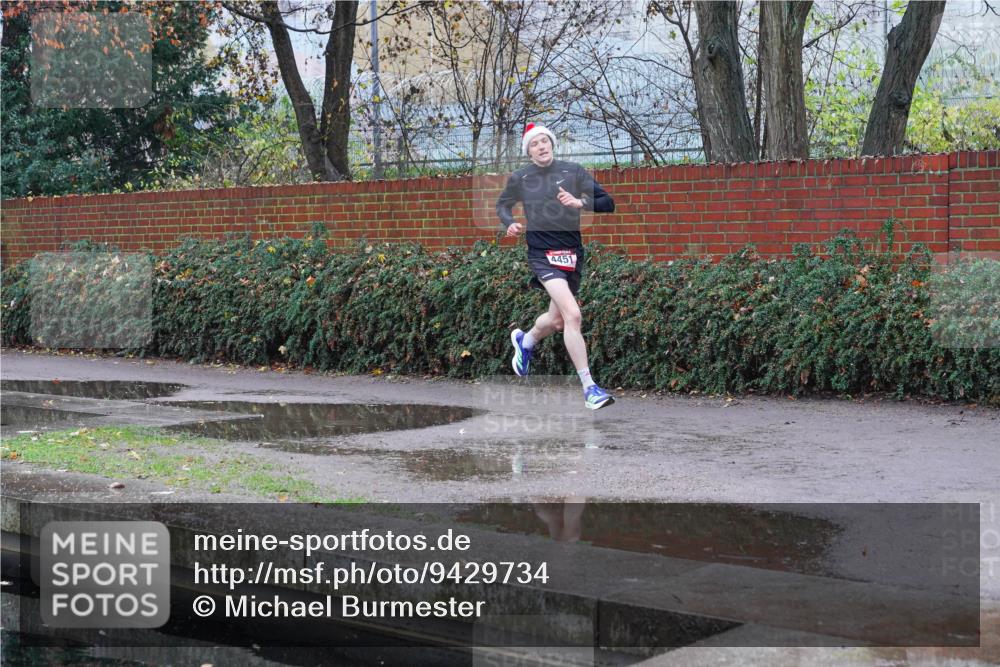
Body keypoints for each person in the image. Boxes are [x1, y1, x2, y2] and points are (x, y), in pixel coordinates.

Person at [496, 123, 616, 410]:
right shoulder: (521, 178)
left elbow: (608, 202)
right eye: (535, 143)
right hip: (541, 254)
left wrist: (580, 202)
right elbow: (502, 205)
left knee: (558, 321)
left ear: (552, 144)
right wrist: (509, 223)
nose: (541, 146)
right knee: (573, 315)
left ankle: (527, 340)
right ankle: (590, 388)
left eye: (545, 141)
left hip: (572, 254)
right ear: (529, 151)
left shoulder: (573, 171)